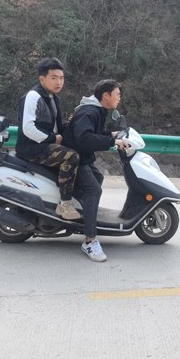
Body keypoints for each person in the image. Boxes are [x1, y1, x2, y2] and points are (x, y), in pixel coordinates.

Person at [64, 79, 128, 262]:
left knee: (98, 177)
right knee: (94, 190)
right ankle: (90, 241)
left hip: (82, 156)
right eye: (117, 94)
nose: (119, 98)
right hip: (74, 158)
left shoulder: (97, 110)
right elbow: (84, 137)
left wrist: (111, 134)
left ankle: (84, 216)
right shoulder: (89, 112)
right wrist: (112, 141)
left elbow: (93, 132)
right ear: (106, 95)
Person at [15, 57, 81, 221]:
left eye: (61, 78)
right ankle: (65, 204)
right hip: (31, 148)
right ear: (42, 79)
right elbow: (28, 128)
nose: (59, 82)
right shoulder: (33, 96)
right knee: (71, 156)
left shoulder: (53, 98)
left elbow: (56, 127)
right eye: (54, 78)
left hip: (45, 145)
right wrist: (53, 138)